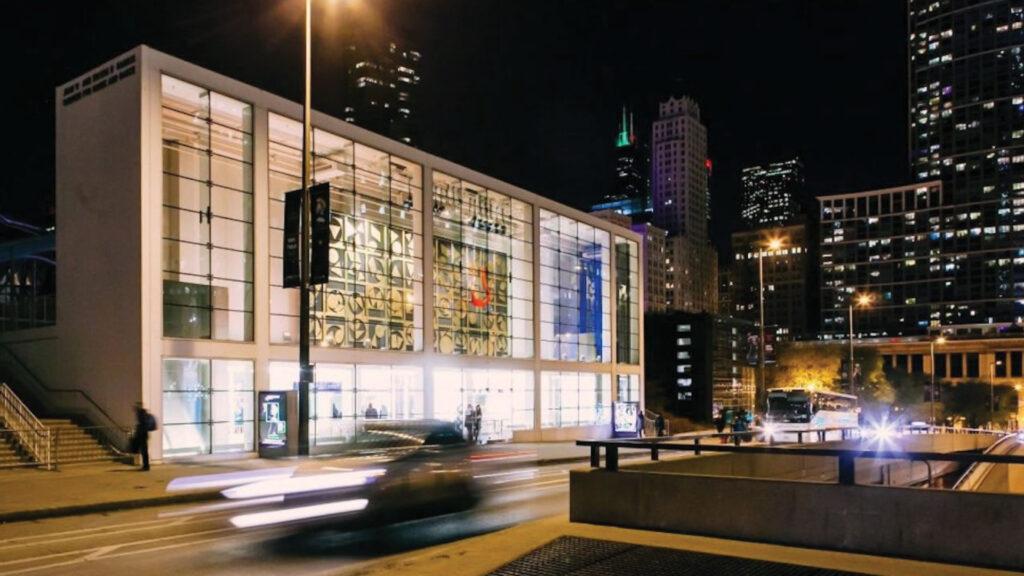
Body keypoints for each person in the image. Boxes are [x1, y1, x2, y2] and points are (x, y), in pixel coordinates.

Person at [132, 402, 156, 471]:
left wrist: (138, 429)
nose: (134, 408)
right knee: (143, 451)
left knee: (144, 451)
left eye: (136, 406)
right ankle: (146, 465)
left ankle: (146, 466)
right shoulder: (142, 413)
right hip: (143, 435)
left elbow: (142, 424)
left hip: (142, 435)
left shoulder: (141, 414)